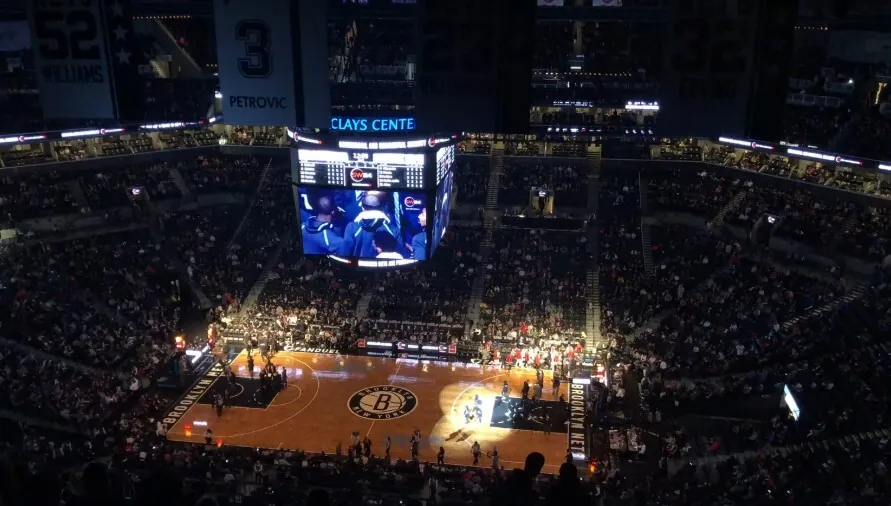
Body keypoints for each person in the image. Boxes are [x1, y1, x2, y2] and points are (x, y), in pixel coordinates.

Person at [338, 191, 398, 258]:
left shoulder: (352, 228)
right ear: (381, 208)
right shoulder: (393, 230)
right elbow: (400, 256)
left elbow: (344, 254)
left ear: (362, 208)